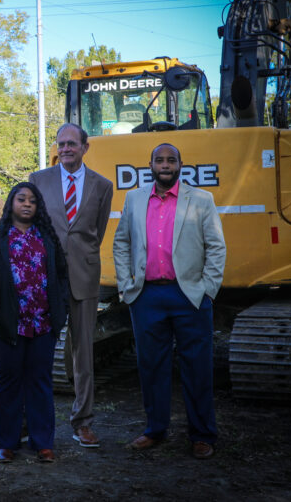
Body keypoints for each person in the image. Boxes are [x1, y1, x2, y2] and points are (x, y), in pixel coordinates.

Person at [112, 142, 225, 459]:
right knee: (151, 368)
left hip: (189, 295)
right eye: (159, 160)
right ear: (150, 165)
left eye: (170, 160)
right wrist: (126, 286)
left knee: (197, 368)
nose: (165, 164)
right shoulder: (135, 198)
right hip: (147, 296)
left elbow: (216, 247)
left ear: (180, 165)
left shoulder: (201, 199)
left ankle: (202, 435)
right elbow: (121, 243)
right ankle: (155, 430)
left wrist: (208, 289)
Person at [0, 182, 70, 463]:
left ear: (38, 208)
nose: (27, 204)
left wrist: (59, 310)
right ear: (11, 204)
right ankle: (7, 443)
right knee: (7, 382)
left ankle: (43, 443)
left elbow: (62, 275)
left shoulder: (47, 238)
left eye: (32, 201)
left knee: (40, 382)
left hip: (44, 323)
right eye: (21, 199)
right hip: (7, 325)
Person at [29, 123, 113, 448]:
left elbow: (97, 231)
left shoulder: (102, 186)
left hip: (84, 276)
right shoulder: (39, 180)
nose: (65, 148)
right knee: (37, 352)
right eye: (61, 143)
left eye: (72, 144)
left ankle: (83, 422)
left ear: (84, 147)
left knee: (83, 353)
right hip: (46, 278)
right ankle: (32, 421)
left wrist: (80, 256)